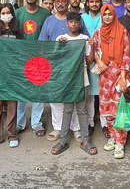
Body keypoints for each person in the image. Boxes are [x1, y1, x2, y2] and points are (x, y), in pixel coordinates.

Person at [39, 0, 90, 141]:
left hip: (75, 69)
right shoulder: (48, 21)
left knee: (75, 99)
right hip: (55, 67)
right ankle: (58, 128)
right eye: (57, 1)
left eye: (63, 1)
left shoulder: (75, 19)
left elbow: (85, 40)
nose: (60, 3)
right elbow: (42, 43)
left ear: (68, 2)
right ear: (54, 3)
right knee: (56, 100)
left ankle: (76, 129)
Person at [50, 12, 97, 156]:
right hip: (67, 81)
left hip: (82, 80)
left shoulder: (84, 39)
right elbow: (55, 59)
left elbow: (89, 61)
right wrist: (60, 46)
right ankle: (63, 140)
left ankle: (85, 140)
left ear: (80, 24)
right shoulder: (61, 38)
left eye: (77, 22)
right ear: (67, 23)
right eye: (71, 22)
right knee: (67, 110)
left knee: (82, 110)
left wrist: (92, 46)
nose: (74, 24)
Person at [93, 4, 130, 159]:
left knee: (118, 110)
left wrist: (123, 77)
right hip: (104, 76)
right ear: (102, 16)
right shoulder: (98, 32)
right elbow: (95, 49)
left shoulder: (122, 31)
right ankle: (111, 136)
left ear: (114, 15)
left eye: (110, 14)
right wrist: (98, 60)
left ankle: (120, 142)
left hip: (119, 75)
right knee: (107, 109)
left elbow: (126, 54)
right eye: (105, 14)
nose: (107, 17)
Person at [15, 0, 50, 136]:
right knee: (21, 92)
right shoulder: (17, 13)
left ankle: (36, 123)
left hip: (40, 59)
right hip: (21, 58)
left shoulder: (45, 14)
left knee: (38, 91)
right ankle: (19, 123)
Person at [0, 3, 22, 149]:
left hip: (12, 68)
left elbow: (21, 50)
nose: (6, 15)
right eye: (3, 12)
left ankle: (12, 134)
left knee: (12, 102)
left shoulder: (17, 32)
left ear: (12, 14)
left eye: (8, 12)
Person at [81, 0, 104, 136]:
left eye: (97, 1)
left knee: (103, 93)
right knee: (89, 94)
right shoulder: (83, 17)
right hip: (86, 58)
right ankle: (89, 122)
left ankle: (105, 123)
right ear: (87, 3)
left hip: (103, 59)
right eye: (91, 1)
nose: (94, 4)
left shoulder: (105, 16)